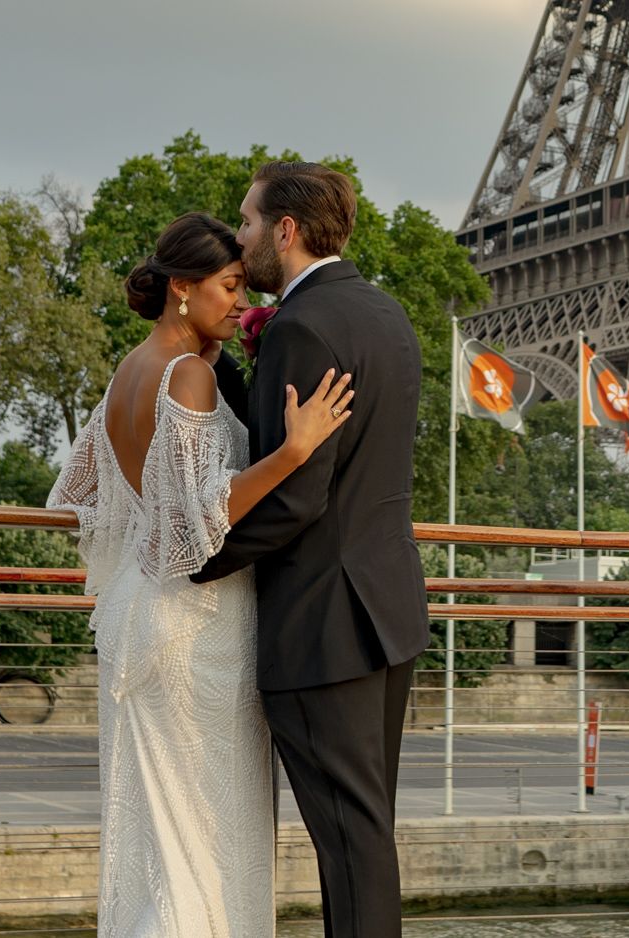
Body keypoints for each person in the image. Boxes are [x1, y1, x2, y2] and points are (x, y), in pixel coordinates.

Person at [47, 212, 353, 937]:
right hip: (194, 628)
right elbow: (195, 521)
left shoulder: (131, 367)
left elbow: (82, 492)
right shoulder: (186, 374)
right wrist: (291, 453)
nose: (241, 304)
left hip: (138, 615)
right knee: (203, 840)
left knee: (163, 836)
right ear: (181, 288)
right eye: (227, 287)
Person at [189, 161, 429, 938]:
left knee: (348, 843)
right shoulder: (385, 313)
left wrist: (195, 558)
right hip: (386, 615)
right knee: (365, 834)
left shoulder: (301, 327)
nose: (243, 237)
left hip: (322, 626)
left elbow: (294, 494)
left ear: (285, 230)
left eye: (249, 222)